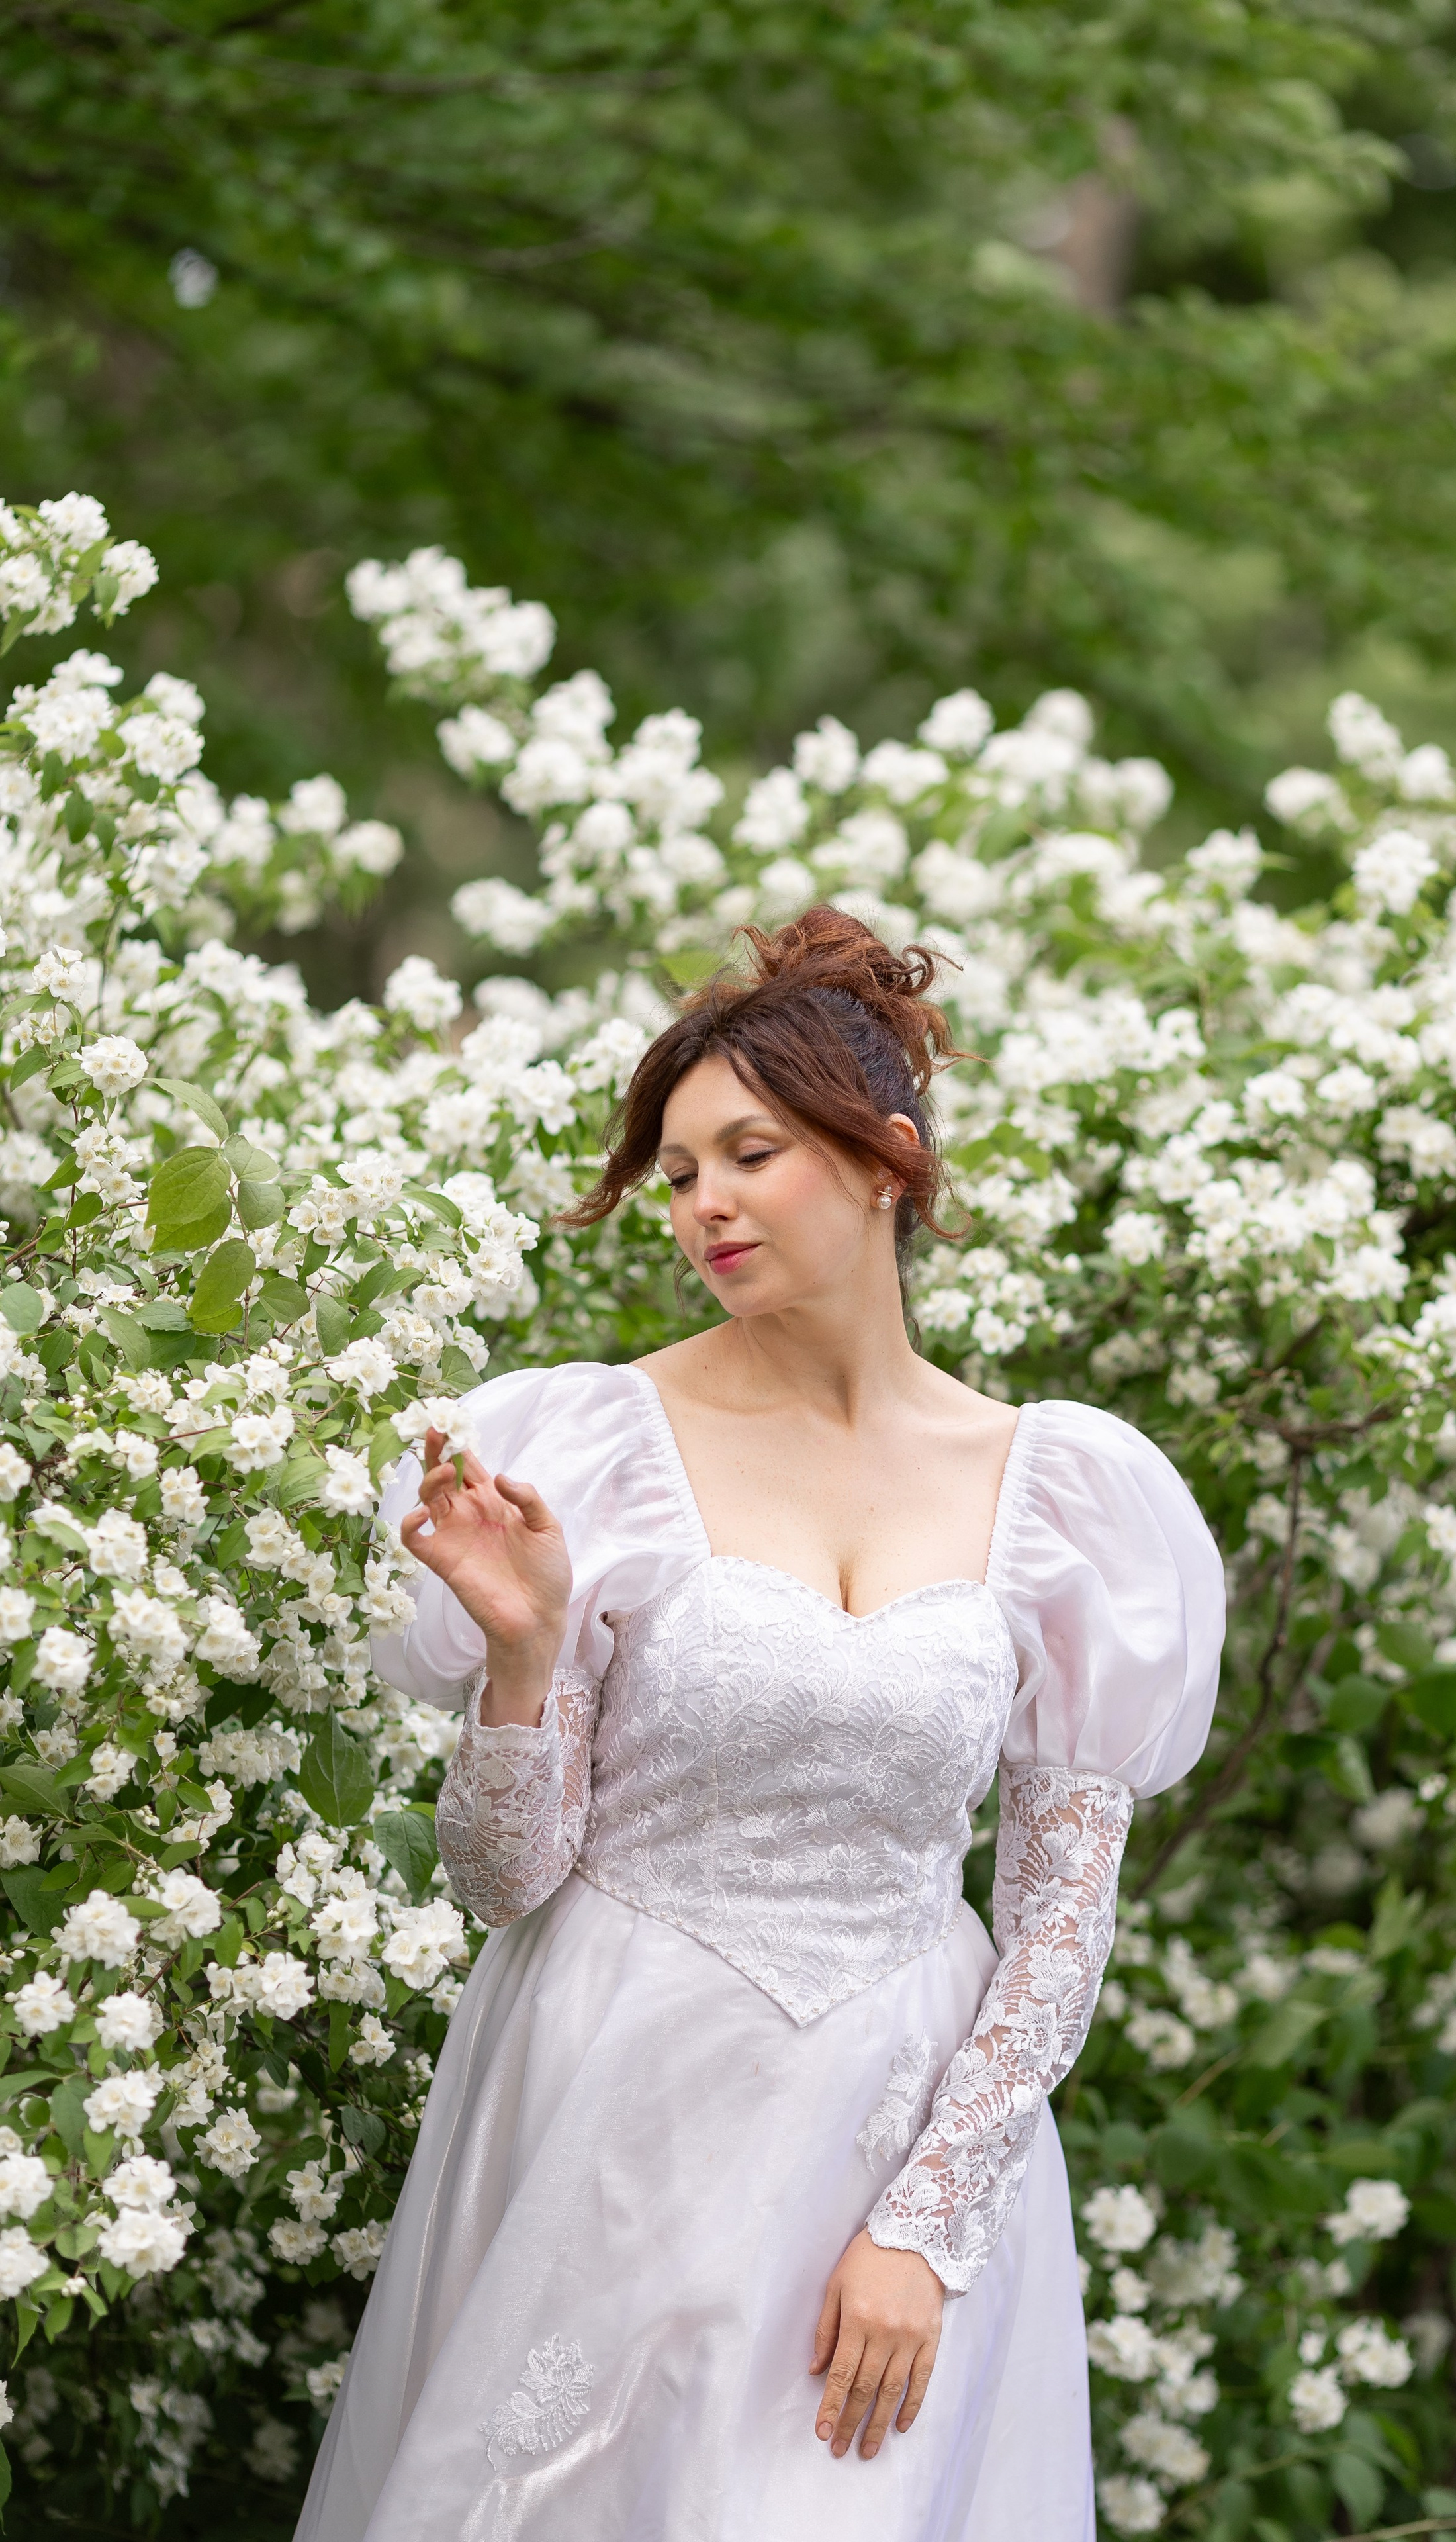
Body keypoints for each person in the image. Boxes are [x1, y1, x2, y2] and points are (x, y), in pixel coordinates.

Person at [295, 906, 1225, 2542]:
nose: (704, 1204)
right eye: (674, 1174)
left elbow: (1059, 1913)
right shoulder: (588, 1447)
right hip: (618, 2094)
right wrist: (518, 1655)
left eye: (749, 1154)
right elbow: (506, 1882)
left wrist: (926, 2229)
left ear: (882, 1161)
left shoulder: (1062, 1494)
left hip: (900, 2114)